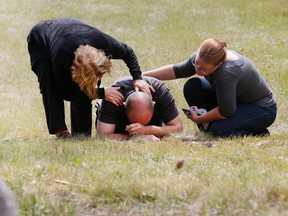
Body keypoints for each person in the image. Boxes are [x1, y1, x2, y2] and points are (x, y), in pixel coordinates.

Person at [27, 18, 154, 138]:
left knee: (87, 88)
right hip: (40, 39)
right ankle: (61, 131)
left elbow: (128, 52)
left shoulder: (104, 43)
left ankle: (81, 134)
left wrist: (138, 78)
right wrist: (101, 93)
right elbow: (67, 92)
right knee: (49, 81)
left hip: (72, 30)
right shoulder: (61, 55)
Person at [143, 38, 277, 137]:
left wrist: (199, 118)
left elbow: (226, 111)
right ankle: (211, 126)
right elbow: (178, 70)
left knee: (218, 130)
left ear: (218, 65)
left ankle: (258, 132)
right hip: (234, 102)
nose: (197, 70)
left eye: (203, 69)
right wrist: (141, 76)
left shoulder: (227, 72)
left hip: (261, 109)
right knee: (193, 86)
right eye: (196, 65)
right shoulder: (204, 57)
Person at [96, 76, 183, 141]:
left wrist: (146, 130)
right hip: (118, 128)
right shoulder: (114, 97)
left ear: (154, 104)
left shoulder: (161, 94)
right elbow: (102, 136)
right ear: (124, 105)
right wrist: (135, 138)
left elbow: (178, 127)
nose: (138, 126)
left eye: (144, 123)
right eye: (134, 122)